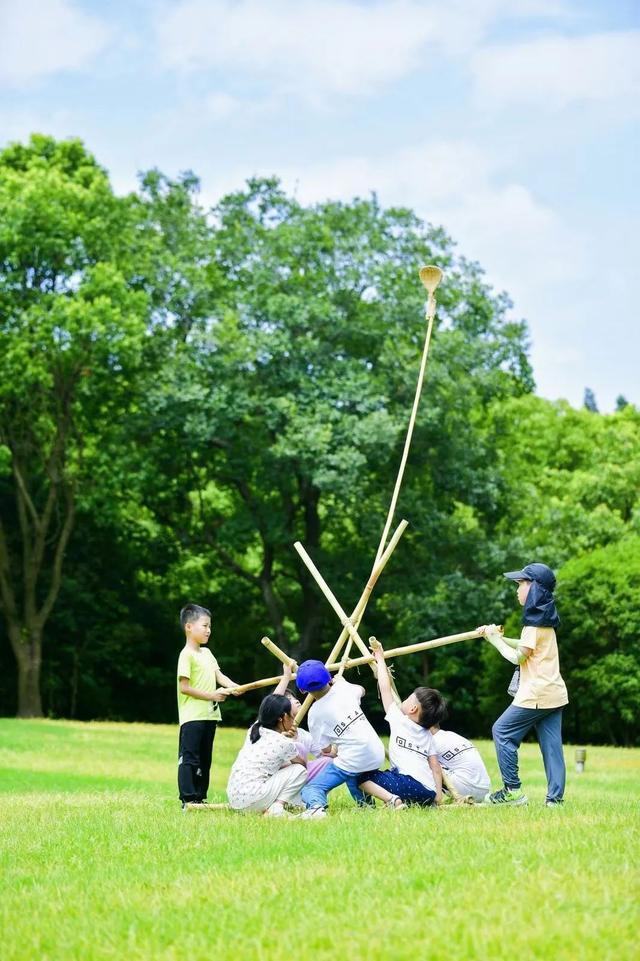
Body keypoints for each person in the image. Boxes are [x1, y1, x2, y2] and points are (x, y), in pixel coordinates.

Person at [478, 562, 568, 807]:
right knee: (552, 748)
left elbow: (518, 657)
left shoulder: (533, 623)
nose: (517, 590)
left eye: (521, 584)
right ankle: (555, 801)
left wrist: (496, 641)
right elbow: (527, 644)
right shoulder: (545, 620)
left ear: (535, 588)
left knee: (502, 731)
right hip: (555, 693)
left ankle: (512, 791)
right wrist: (495, 636)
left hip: (536, 693)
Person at [355, 641, 443, 808]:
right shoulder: (428, 735)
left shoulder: (398, 720)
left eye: (409, 697)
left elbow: (385, 688)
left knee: (361, 777)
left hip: (407, 784)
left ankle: (392, 800)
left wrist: (380, 658)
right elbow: (435, 767)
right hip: (428, 792)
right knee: (394, 777)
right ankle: (411, 801)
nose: (404, 699)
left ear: (413, 708)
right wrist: (437, 795)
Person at [296, 660, 386, 818]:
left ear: (302, 690)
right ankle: (365, 806)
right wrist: (344, 682)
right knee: (353, 774)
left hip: (355, 759)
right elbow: (362, 690)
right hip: (378, 753)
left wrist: (336, 749)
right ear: (329, 678)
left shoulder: (314, 714)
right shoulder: (344, 689)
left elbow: (326, 751)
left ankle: (316, 808)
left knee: (312, 788)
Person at [176, 603, 239, 810]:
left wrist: (233, 687)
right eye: (204, 625)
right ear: (189, 627)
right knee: (190, 758)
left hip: (210, 716)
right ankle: (188, 799)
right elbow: (184, 687)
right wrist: (212, 695)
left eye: (210, 626)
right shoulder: (186, 655)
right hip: (192, 716)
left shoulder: (207, 653)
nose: (208, 630)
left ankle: (200, 799)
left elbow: (219, 676)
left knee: (205, 759)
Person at [226, 694, 308, 816]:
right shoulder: (284, 742)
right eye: (292, 716)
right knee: (299, 770)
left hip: (234, 799)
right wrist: (292, 742)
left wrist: (285, 677)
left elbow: (271, 702)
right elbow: (302, 764)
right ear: (283, 717)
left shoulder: (255, 729)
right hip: (253, 799)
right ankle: (277, 807)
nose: (293, 720)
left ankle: (278, 805)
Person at [413, 687, 491, 803]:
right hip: (484, 789)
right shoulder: (451, 736)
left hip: (466, 790)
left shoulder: (432, 742)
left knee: (422, 762)